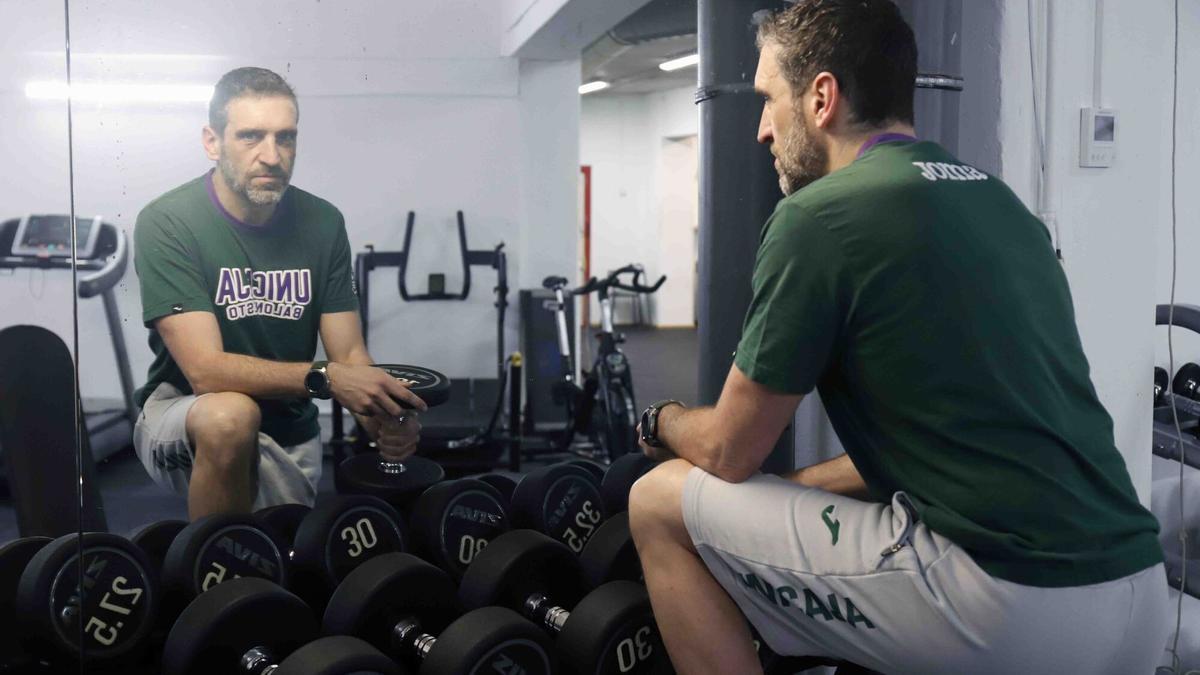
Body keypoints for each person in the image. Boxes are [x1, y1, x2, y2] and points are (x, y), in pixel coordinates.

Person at [627, 2, 1167, 673]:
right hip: (1140, 592)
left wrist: (664, 417)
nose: (762, 130)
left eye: (768, 100)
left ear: (822, 97)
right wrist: (796, 490)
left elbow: (729, 450)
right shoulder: (1004, 208)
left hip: (1004, 602)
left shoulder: (816, 217)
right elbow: (955, 435)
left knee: (655, 501)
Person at [133, 67, 424, 519]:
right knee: (231, 417)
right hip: (186, 414)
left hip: (292, 428)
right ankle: (217, 576)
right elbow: (206, 372)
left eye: (285, 138)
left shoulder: (323, 222)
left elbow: (349, 354)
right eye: (251, 137)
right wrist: (327, 377)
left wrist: (384, 422)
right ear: (212, 142)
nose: (272, 155)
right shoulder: (169, 220)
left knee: (286, 560)